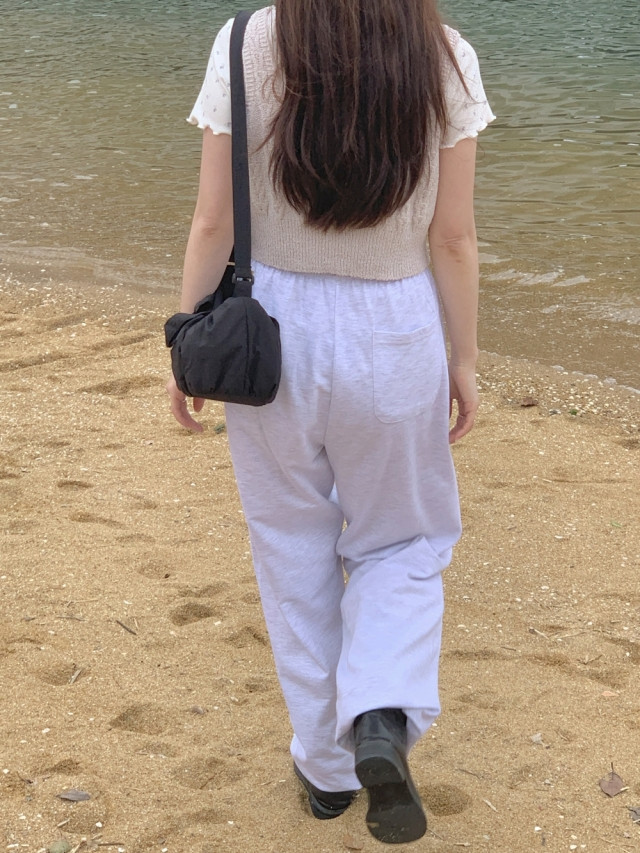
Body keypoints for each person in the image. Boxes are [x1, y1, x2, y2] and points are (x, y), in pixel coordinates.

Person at [166, 0, 494, 844]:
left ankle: (325, 767)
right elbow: (454, 238)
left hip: (273, 330)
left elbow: (212, 220)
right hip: (396, 329)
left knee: (291, 545)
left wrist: (185, 338)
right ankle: (379, 709)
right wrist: (463, 358)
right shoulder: (445, 54)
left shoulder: (244, 41)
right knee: (404, 540)